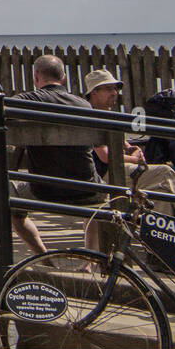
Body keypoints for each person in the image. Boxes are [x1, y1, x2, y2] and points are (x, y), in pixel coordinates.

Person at [9, 55, 105, 256]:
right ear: (63, 78)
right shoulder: (84, 106)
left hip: (44, 189)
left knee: (8, 194)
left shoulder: (28, 101)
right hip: (87, 189)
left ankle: (43, 256)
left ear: (36, 77)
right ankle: (91, 261)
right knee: (106, 197)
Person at [85, 69, 175, 221]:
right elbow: (105, 156)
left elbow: (118, 141)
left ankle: (162, 238)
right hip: (107, 174)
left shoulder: (107, 113)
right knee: (165, 173)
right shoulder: (92, 116)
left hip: (118, 169)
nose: (114, 93)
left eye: (115, 88)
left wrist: (131, 148)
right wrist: (134, 159)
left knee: (161, 191)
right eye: (108, 89)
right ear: (94, 92)